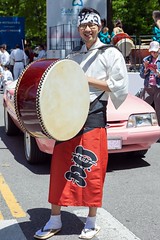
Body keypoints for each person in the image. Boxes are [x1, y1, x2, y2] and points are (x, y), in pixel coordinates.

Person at [34, 7, 128, 240]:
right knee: (60, 168)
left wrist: (84, 79)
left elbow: (119, 86)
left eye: (92, 25)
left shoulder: (110, 54)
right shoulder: (73, 56)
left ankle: (91, 221)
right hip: (68, 119)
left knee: (92, 169)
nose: (87, 30)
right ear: (78, 29)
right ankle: (54, 218)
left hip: (94, 116)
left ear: (100, 27)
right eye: (83, 26)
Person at [140, 41, 160, 125]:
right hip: (148, 86)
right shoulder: (146, 59)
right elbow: (141, 75)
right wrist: (145, 69)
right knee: (143, 107)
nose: (153, 53)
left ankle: (158, 128)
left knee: (158, 109)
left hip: (158, 87)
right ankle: (144, 126)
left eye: (155, 51)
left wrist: (156, 72)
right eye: (152, 51)